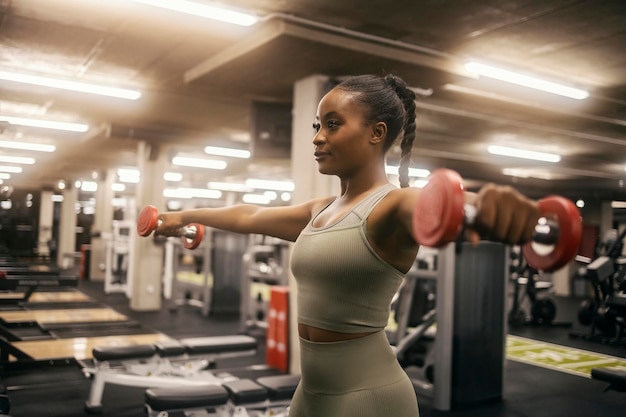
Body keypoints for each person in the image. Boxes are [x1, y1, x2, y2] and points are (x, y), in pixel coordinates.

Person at [153, 74, 539, 416]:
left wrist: (489, 207)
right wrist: (183, 216)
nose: (318, 137)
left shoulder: (394, 205)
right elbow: (248, 216)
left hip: (368, 397)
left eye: (333, 125)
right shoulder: (322, 209)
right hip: (312, 392)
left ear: (377, 133)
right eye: (318, 125)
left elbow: (441, 203)